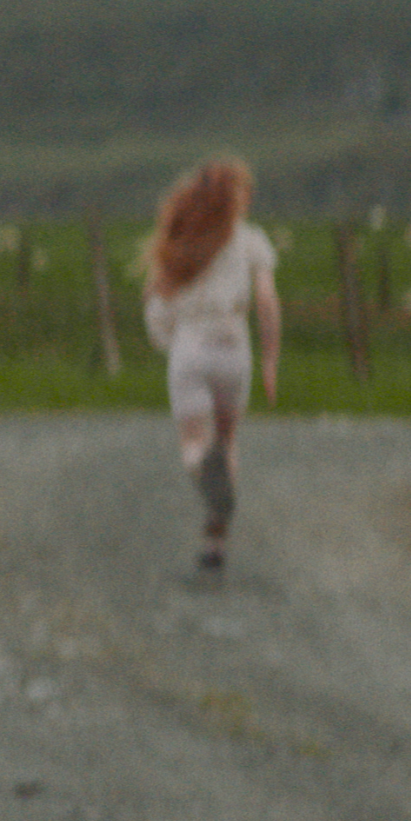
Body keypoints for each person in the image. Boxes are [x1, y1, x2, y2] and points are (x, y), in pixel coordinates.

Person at [142, 159, 280, 572]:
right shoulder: (252, 241)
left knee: (194, 445)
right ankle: (216, 540)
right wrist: (270, 360)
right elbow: (267, 302)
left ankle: (204, 470)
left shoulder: (182, 240)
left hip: (191, 347)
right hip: (234, 348)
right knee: (226, 443)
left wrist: (165, 340)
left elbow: (156, 300)